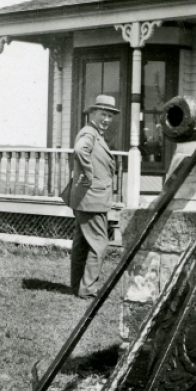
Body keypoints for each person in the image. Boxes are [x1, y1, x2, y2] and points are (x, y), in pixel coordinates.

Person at [69, 94, 120, 299]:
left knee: (82, 243)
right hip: (92, 200)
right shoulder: (89, 133)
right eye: (103, 114)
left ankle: (77, 286)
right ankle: (88, 289)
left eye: (110, 116)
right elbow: (80, 150)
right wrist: (89, 174)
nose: (106, 119)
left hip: (86, 199)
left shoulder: (94, 134)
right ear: (92, 113)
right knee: (99, 243)